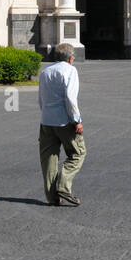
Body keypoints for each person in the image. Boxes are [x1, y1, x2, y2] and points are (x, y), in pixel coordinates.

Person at [38, 43, 85, 207]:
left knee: (49, 160)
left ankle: (52, 197)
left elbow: (41, 98)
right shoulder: (70, 71)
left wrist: (45, 113)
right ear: (71, 58)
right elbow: (70, 98)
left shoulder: (45, 71)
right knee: (78, 153)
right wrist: (77, 120)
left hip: (46, 121)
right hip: (64, 121)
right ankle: (63, 186)